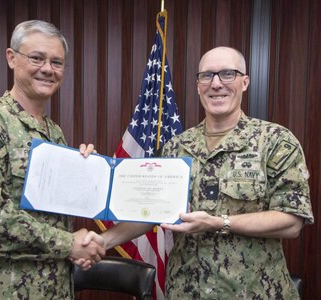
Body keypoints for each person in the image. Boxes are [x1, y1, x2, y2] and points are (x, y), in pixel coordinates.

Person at [82, 46, 314, 299]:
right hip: (185, 291)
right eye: (207, 75)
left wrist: (218, 223)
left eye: (227, 74)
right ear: (198, 85)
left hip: (255, 292)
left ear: (244, 82)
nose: (216, 84)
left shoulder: (276, 141)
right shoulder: (175, 147)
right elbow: (151, 213)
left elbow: (291, 222)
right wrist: (103, 241)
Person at [0, 20, 104, 299]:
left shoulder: (54, 133)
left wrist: (87, 171)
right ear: (11, 58)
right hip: (5, 290)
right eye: (37, 58)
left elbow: (53, 214)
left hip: (57, 289)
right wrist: (69, 244)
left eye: (57, 62)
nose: (47, 69)